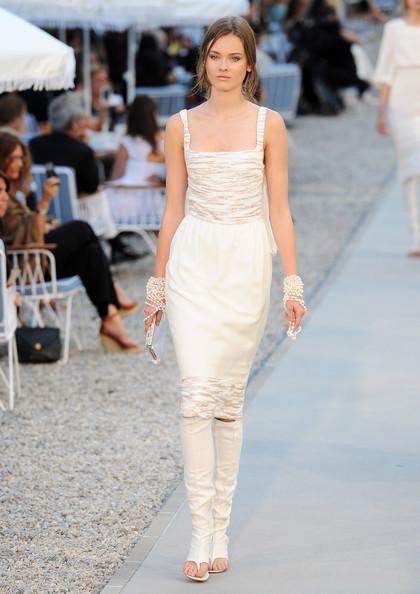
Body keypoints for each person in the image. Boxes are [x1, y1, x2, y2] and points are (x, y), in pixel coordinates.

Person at [143, 16, 307, 582]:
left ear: (249, 65)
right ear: (203, 62)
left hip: (244, 264)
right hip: (193, 260)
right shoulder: (179, 126)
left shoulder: (270, 125)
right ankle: (197, 532)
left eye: (234, 57)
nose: (223, 66)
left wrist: (292, 281)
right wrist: (158, 282)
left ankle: (221, 527)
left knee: (225, 404)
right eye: (215, 55)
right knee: (193, 397)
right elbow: (171, 209)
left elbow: (280, 208)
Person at [0, 130, 141, 353]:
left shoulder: (14, 191)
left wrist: (45, 220)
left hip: (38, 259)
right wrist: (44, 203)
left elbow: (29, 226)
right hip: (27, 265)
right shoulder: (2, 193)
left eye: (21, 157)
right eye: (14, 157)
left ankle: (110, 316)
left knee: (90, 252)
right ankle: (113, 297)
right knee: (81, 228)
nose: (20, 162)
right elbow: (19, 235)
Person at [29, 93, 140, 263]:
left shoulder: (34, 144)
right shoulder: (81, 150)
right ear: (74, 124)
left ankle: (117, 244)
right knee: (101, 194)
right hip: (77, 211)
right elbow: (92, 186)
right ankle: (114, 240)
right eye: (82, 121)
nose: (85, 125)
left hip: (42, 208)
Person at [375, 5, 420, 257]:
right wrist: (382, 112)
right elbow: (386, 71)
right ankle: (416, 234)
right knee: (410, 168)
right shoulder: (394, 29)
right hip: (401, 102)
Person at [110, 95, 165, 185]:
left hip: (131, 194)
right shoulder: (165, 139)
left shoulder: (127, 142)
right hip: (158, 195)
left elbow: (116, 177)